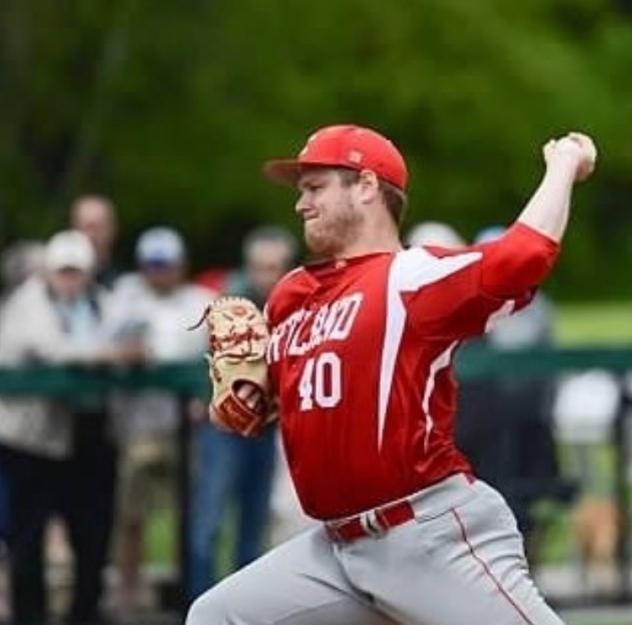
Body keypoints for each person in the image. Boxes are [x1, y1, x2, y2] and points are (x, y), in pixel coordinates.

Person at [187, 124, 596, 625]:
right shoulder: (292, 294)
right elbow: (267, 404)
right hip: (335, 549)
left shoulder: (410, 277)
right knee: (218, 616)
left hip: (428, 534)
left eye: (315, 187)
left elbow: (523, 256)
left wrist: (562, 166)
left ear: (365, 187)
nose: (301, 204)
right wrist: (240, 402)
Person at [0, 230, 138, 625]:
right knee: (28, 539)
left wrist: (127, 349)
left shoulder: (102, 302)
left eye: (77, 271)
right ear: (49, 272)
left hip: (92, 436)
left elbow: (131, 334)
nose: (70, 280)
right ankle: (30, 618)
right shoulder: (28, 302)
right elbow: (51, 349)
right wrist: (112, 354)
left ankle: (85, 615)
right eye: (63, 271)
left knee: (93, 537)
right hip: (33, 441)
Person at [188, 226, 297, 600]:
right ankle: (198, 608)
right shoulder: (228, 307)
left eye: (274, 267)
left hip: (266, 430)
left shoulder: (291, 306)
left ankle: (243, 610)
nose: (266, 275)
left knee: (253, 525)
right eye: (260, 266)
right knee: (209, 523)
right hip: (224, 430)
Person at [108, 226, 210, 610]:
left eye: (166, 264)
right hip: (137, 425)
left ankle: (186, 593)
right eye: (152, 264)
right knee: (131, 514)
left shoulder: (201, 301)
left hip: (189, 428)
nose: (159, 271)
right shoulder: (125, 299)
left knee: (190, 512)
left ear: (180, 265)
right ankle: (128, 593)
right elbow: (107, 347)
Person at [71, 195, 119, 289]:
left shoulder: (123, 283)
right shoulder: (49, 280)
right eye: (87, 227)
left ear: (112, 229)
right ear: (74, 228)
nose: (92, 235)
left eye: (98, 228)